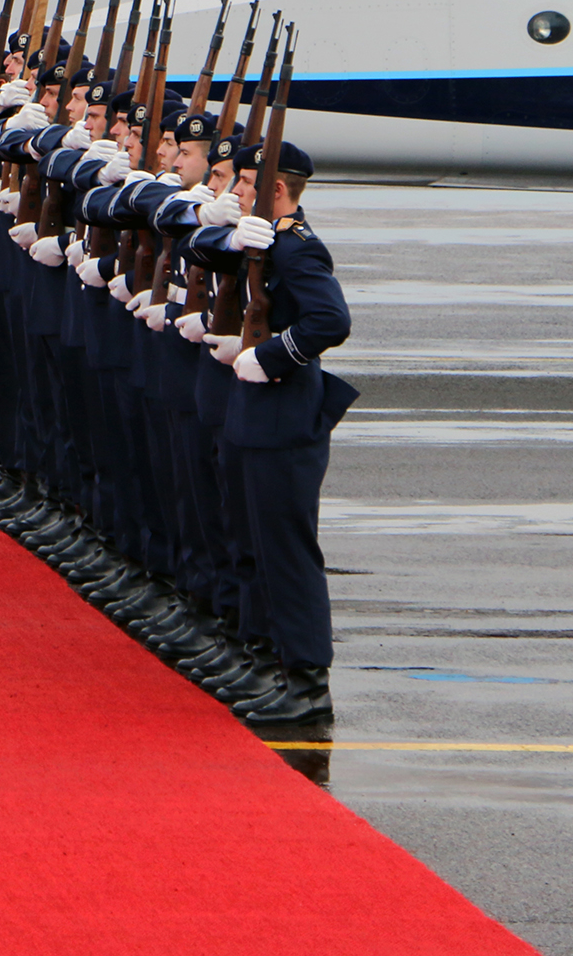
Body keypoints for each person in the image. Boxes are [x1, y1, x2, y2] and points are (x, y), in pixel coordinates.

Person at [193, 140, 355, 725]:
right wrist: (226, 236)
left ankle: (307, 681)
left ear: (276, 191)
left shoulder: (295, 249)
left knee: (284, 551)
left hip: (284, 412)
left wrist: (276, 355)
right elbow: (199, 246)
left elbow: (330, 320)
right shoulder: (261, 241)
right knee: (248, 541)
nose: (234, 193)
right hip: (251, 410)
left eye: (243, 184)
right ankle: (262, 658)